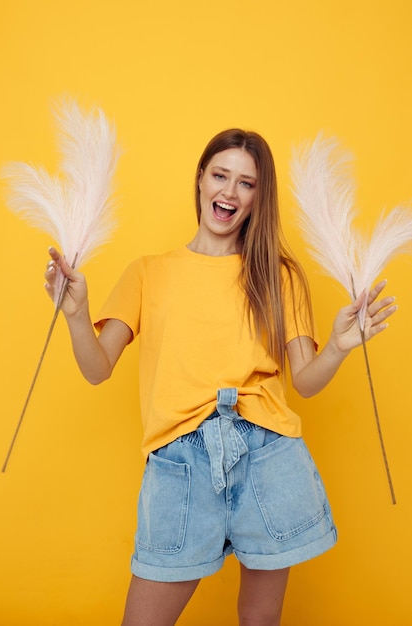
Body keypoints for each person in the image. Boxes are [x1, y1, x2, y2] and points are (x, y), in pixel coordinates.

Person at [45, 129, 396, 626]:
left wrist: (337, 346)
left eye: (246, 183)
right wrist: (76, 314)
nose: (230, 192)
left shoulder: (277, 275)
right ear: (200, 181)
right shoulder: (148, 272)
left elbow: (306, 381)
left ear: (258, 198)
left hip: (267, 456)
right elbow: (97, 369)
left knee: (259, 620)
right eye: (220, 175)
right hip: (179, 464)